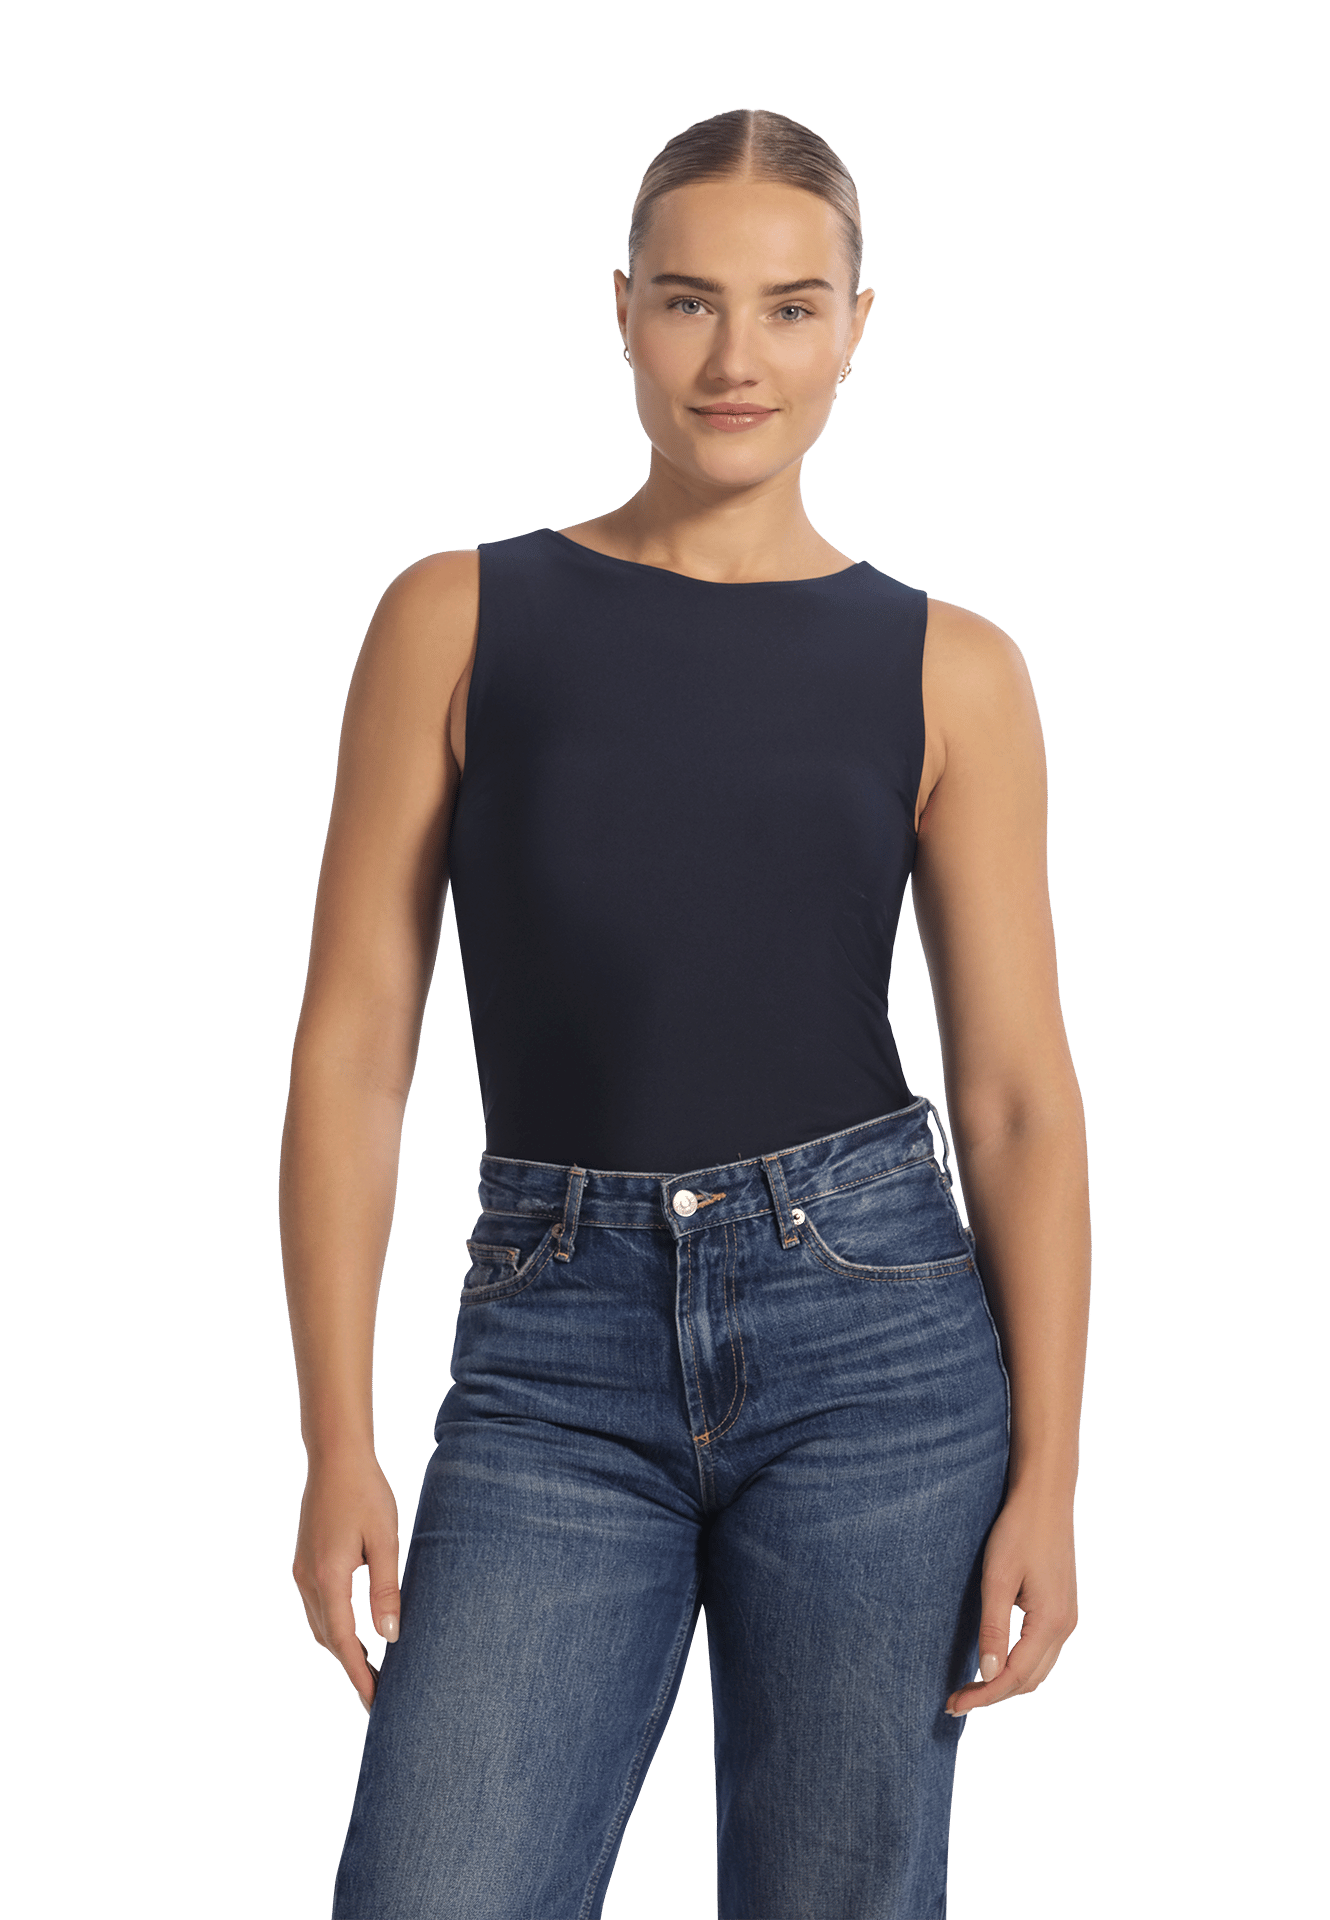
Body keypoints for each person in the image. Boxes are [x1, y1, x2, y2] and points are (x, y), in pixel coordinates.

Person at [280, 106, 1091, 1920]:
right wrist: (336, 1439)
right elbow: (351, 1057)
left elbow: (1017, 1098)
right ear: (622, 311)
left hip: (874, 1347)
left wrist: (1049, 1472)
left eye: (790, 308)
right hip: (550, 1359)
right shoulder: (454, 616)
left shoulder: (954, 666)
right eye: (688, 300)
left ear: (855, 328)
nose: (738, 357)